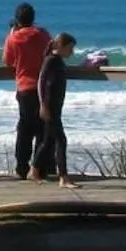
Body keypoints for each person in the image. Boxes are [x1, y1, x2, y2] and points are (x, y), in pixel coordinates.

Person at [2, 4, 53, 179]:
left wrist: (11, 34)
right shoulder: (43, 34)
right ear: (33, 17)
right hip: (44, 86)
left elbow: (7, 61)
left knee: (24, 129)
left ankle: (22, 167)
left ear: (17, 19)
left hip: (24, 87)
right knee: (42, 128)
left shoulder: (14, 38)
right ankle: (40, 167)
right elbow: (51, 53)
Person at [33, 33, 78, 183]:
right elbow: (41, 82)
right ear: (61, 47)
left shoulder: (58, 61)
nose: (72, 52)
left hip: (56, 106)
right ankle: (63, 177)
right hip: (50, 106)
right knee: (61, 140)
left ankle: (34, 170)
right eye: (70, 48)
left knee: (48, 141)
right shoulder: (51, 60)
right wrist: (43, 105)